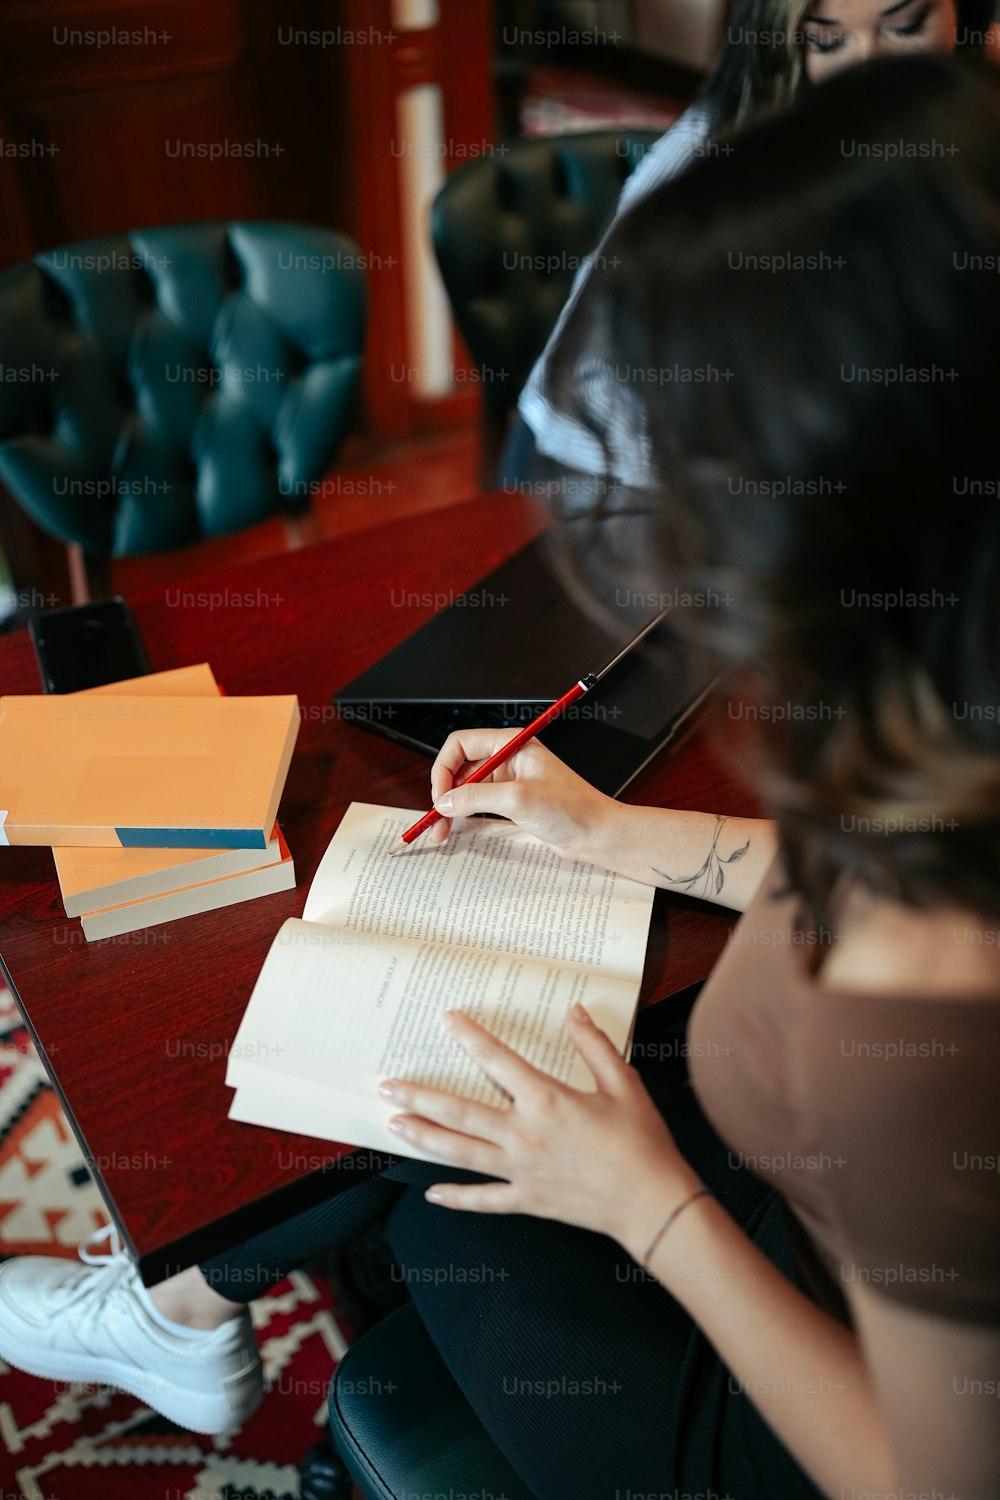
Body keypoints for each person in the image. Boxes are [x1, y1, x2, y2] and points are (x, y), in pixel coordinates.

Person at [3, 49, 1000, 1500]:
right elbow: (857, 858)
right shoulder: (946, 705)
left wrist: (649, 1210)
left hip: (768, 1427)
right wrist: (611, 834)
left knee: (418, 1176)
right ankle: (178, 1314)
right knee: (451, 1063)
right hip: (802, 1187)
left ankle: (170, 1319)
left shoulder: (923, 1021)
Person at [507, 0, 997, 500]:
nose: (868, 68)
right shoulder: (719, 152)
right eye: (826, 41)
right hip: (613, 471)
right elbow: (594, 387)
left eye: (905, 28)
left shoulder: (958, 126)